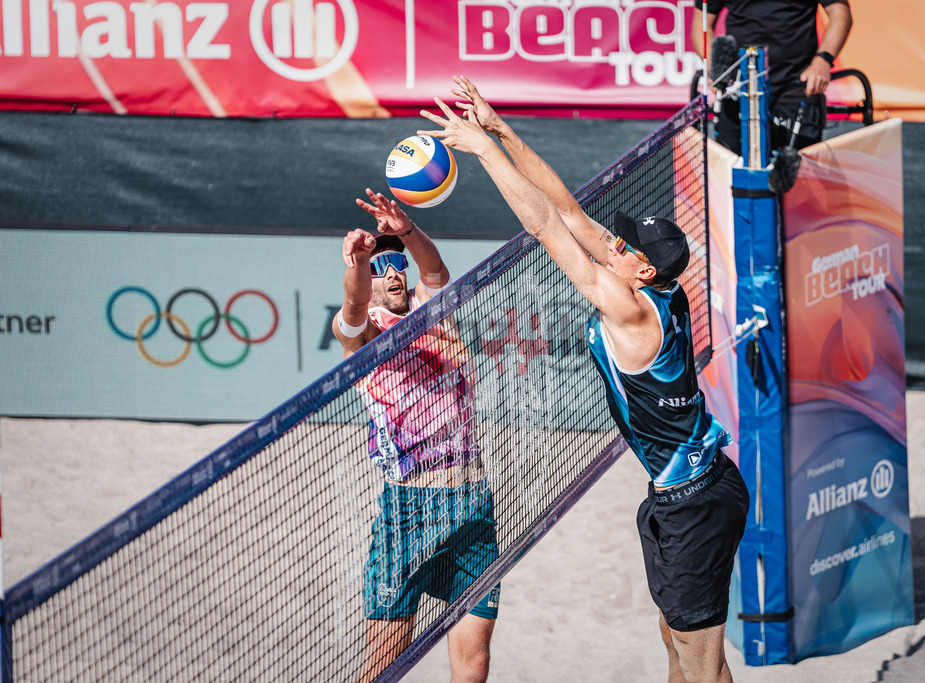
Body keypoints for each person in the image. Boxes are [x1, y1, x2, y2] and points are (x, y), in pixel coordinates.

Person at [419, 77, 750, 683]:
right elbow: (569, 209)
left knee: (700, 665)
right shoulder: (657, 284)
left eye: (623, 246)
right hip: (691, 492)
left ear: (641, 267)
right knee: (679, 641)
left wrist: (483, 153)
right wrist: (499, 128)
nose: (610, 245)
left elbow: (547, 227)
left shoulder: (627, 309)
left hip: (695, 503)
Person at [334, 188, 500, 683]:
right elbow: (354, 302)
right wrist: (359, 262)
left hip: (472, 501)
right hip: (409, 508)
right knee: (386, 663)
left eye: (395, 263)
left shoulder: (433, 314)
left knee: (476, 659)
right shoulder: (361, 334)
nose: (393, 272)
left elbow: (436, 273)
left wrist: (404, 230)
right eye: (381, 267)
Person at [691, 0, 853, 154]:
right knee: (734, 177)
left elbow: (840, 12)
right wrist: (717, 67)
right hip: (738, 91)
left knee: (799, 179)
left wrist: (822, 61)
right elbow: (701, 24)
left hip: (797, 90)